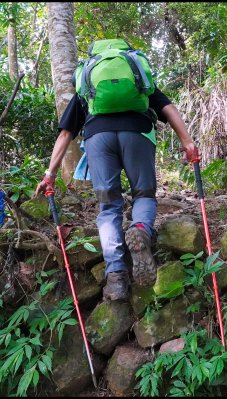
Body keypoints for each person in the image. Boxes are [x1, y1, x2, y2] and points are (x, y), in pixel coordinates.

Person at [34, 65, 199, 302]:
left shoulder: (87, 84)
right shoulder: (137, 76)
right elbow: (168, 108)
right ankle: (140, 229)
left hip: (98, 137)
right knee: (143, 194)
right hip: (138, 132)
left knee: (109, 206)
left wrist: (49, 174)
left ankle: (116, 277)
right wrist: (187, 142)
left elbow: (65, 134)